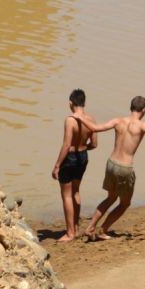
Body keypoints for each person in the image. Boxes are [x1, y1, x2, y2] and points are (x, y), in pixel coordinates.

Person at [84, 96, 145, 240]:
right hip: (125, 168)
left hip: (111, 163)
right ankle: (102, 230)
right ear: (144, 110)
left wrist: (79, 117)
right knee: (124, 203)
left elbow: (95, 128)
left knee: (110, 198)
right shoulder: (142, 125)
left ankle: (90, 227)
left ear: (131, 107)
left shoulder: (118, 121)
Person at [51, 88, 97, 242]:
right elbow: (95, 144)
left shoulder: (70, 120)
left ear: (70, 103)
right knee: (76, 192)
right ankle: (76, 227)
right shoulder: (91, 119)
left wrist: (57, 165)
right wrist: (83, 148)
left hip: (70, 158)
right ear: (84, 103)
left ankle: (70, 233)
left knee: (66, 195)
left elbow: (66, 145)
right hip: (83, 157)